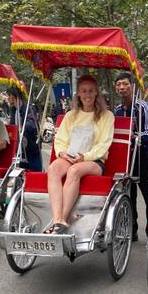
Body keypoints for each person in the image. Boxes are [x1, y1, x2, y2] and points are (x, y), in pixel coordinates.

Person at [45, 74, 114, 234]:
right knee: (54, 168)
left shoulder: (106, 116)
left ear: (96, 93)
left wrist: (85, 157)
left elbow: (104, 143)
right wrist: (62, 153)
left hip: (94, 161)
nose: (87, 95)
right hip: (70, 156)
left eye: (90, 91)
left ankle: (63, 219)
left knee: (74, 171)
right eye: (84, 91)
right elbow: (60, 139)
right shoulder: (71, 115)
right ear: (78, 94)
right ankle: (57, 219)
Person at [114, 72, 148, 241]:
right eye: (118, 84)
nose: (121, 87)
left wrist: (134, 136)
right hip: (125, 157)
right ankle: (131, 230)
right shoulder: (117, 110)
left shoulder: (143, 106)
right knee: (128, 194)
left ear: (132, 86)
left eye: (125, 84)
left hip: (142, 155)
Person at [7, 85, 43, 171]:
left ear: (14, 96)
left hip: (31, 146)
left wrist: (21, 127)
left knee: (35, 173)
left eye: (9, 95)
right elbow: (12, 125)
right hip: (19, 149)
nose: (7, 98)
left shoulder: (29, 108)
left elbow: (32, 124)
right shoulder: (13, 109)